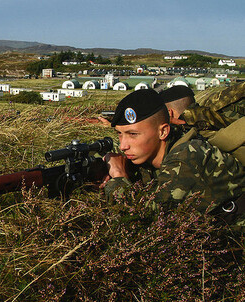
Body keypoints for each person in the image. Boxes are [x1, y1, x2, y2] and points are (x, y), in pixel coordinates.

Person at [103, 88, 245, 226]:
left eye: (133, 134)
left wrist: (118, 175)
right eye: (119, 134)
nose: (123, 145)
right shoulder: (156, 149)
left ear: (163, 131)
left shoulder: (188, 154)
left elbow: (142, 218)